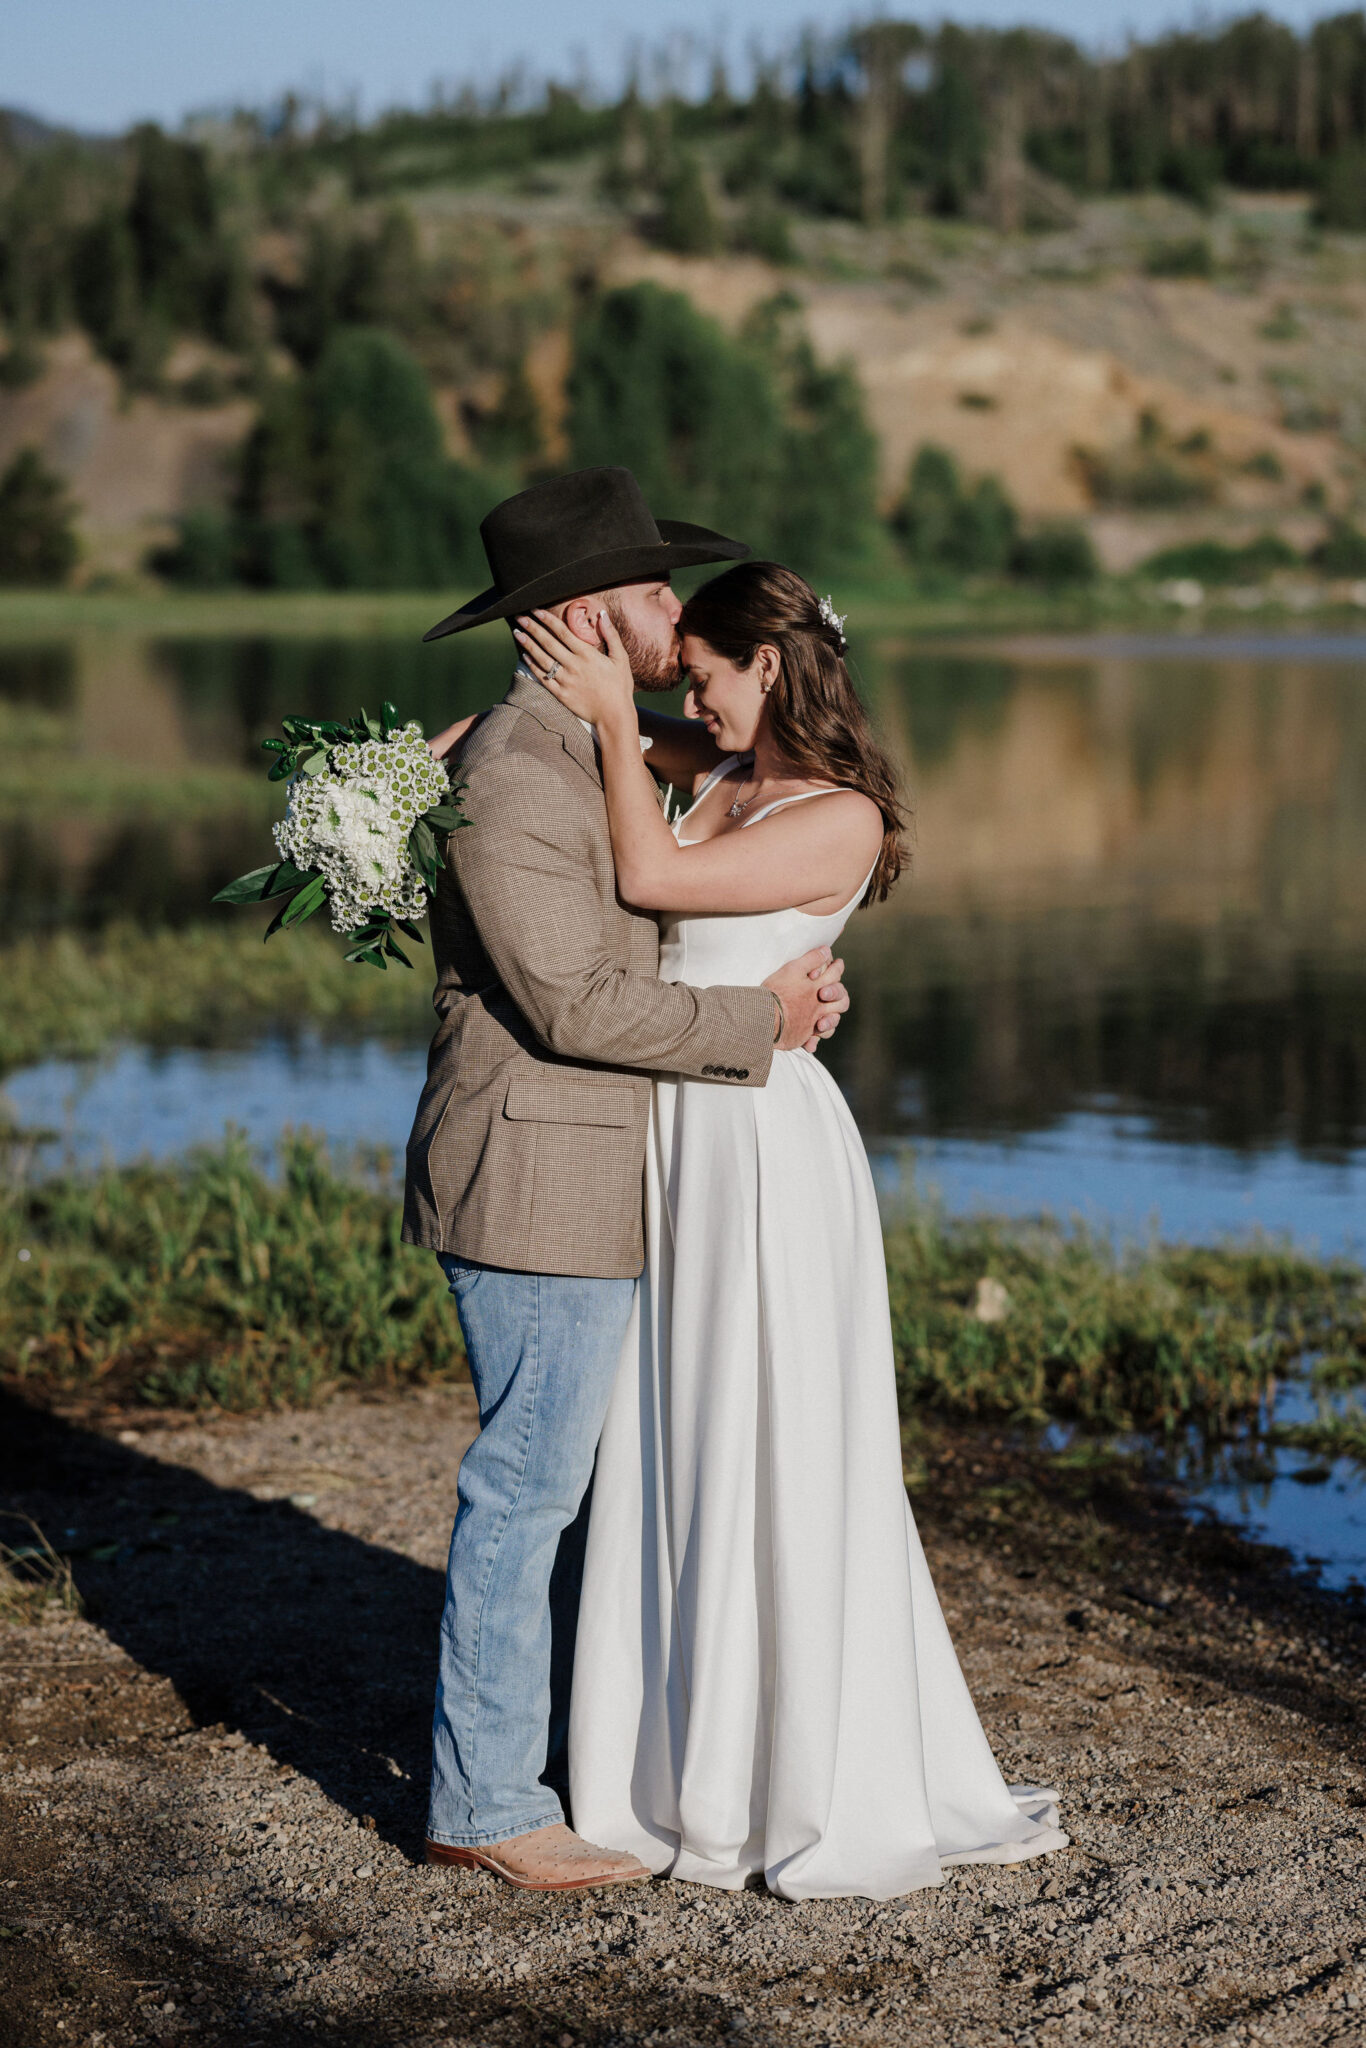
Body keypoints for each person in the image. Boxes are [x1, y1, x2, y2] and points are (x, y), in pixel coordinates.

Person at [511, 559, 1068, 1901]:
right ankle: (677, 1757)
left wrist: (603, 721)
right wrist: (385, 780)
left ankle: (792, 1776)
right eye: (678, 672)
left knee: (773, 1439)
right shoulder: (712, 758)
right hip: (668, 1133)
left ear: (770, 664)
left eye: (704, 669)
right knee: (678, 1433)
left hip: (759, 1148)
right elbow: (513, 746)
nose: (682, 690)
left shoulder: (842, 818)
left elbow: (645, 878)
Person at [403, 468, 850, 1893]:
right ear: (588, 615)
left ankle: (592, 1761)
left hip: (616, 1167)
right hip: (539, 1169)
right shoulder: (520, 779)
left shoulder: (567, 742)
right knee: (527, 1491)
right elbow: (574, 1004)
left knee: (588, 1489)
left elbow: (707, 781)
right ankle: (482, 1800)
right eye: (654, 592)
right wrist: (759, 1024)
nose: (675, 612)